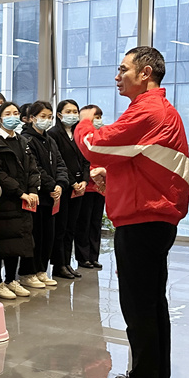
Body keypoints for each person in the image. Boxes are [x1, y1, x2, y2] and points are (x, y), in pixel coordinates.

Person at [76, 47, 189, 378]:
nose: (117, 76)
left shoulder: (148, 110)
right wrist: (111, 176)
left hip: (144, 219)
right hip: (150, 216)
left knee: (139, 305)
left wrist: (84, 122)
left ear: (145, 73)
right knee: (151, 304)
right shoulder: (158, 110)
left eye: (123, 69)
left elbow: (95, 146)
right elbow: (137, 161)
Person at [0, 102, 41, 301]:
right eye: (7, 113)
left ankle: (11, 280)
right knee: (0, 243)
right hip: (3, 200)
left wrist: (32, 190)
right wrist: (19, 192)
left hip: (23, 200)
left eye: (16, 113)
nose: (13, 116)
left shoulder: (22, 140)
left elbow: (33, 168)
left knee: (17, 242)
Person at [17, 100, 68, 290]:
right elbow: (35, 168)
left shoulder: (50, 140)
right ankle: (28, 272)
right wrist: (51, 185)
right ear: (32, 118)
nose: (46, 120)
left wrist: (61, 184)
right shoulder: (27, 139)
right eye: (42, 116)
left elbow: (61, 164)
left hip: (52, 197)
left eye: (49, 117)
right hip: (36, 194)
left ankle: (41, 270)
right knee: (34, 236)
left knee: (48, 236)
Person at [48, 99, 89, 280]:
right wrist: (72, 182)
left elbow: (86, 158)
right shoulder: (54, 134)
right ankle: (59, 264)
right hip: (64, 186)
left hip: (79, 187)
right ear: (59, 114)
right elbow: (59, 162)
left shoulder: (78, 133)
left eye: (75, 111)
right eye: (68, 111)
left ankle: (67, 262)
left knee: (71, 227)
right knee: (61, 227)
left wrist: (85, 181)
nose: (72, 115)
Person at [75, 104, 107, 270]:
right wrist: (93, 174)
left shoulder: (103, 136)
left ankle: (94, 256)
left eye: (100, 117)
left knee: (96, 223)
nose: (98, 121)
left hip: (100, 187)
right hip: (86, 186)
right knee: (84, 223)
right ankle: (83, 257)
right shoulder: (82, 136)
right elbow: (82, 161)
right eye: (95, 117)